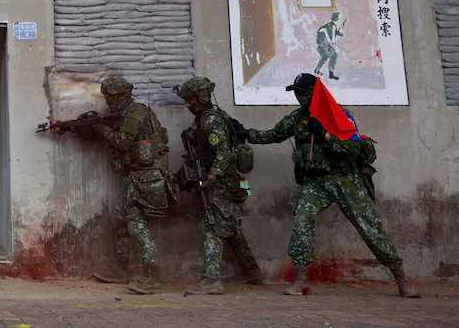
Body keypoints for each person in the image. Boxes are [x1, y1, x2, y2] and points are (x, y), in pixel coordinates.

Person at [246, 73, 419, 298]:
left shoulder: (339, 114)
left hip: (345, 180)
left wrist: (325, 135)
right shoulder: (297, 118)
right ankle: (301, 282)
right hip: (315, 182)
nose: (300, 97)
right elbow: (272, 135)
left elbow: (353, 149)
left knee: (370, 229)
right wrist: (245, 133)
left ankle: (402, 280)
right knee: (301, 223)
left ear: (315, 92)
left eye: (304, 92)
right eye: (297, 93)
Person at [61, 75, 172, 294]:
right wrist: (74, 128)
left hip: (148, 177)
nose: (108, 101)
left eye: (110, 97)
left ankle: (153, 277)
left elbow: (122, 141)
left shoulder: (136, 112)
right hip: (136, 176)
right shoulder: (123, 115)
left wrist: (100, 127)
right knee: (120, 220)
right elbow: (112, 135)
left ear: (121, 95)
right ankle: (120, 270)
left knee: (135, 224)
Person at [176, 77, 263, 295]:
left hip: (222, 184)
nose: (188, 104)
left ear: (201, 98)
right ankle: (252, 270)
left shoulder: (211, 121)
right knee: (229, 226)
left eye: (190, 100)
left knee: (210, 224)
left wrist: (212, 177)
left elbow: (223, 152)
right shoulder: (208, 117)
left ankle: (211, 280)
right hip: (227, 182)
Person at [314, 12, 346, 80]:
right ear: (337, 19)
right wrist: (335, 48)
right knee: (334, 55)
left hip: (321, 44)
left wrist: (341, 30)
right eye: (341, 18)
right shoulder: (331, 27)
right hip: (323, 44)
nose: (342, 20)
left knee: (324, 57)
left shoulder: (331, 25)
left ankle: (317, 70)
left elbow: (335, 34)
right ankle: (331, 74)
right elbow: (331, 40)